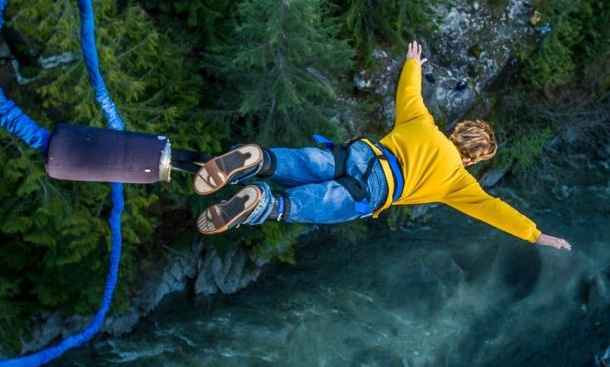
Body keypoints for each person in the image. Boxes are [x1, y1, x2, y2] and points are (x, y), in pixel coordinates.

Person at [193, 41, 572, 251]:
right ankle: (262, 202)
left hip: (361, 153)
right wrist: (537, 235)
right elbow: (495, 211)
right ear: (473, 159)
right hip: (375, 190)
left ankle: (258, 159)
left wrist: (413, 63)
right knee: (304, 205)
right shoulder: (458, 182)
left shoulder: (422, 123)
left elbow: (409, 92)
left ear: (458, 132)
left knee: (308, 162)